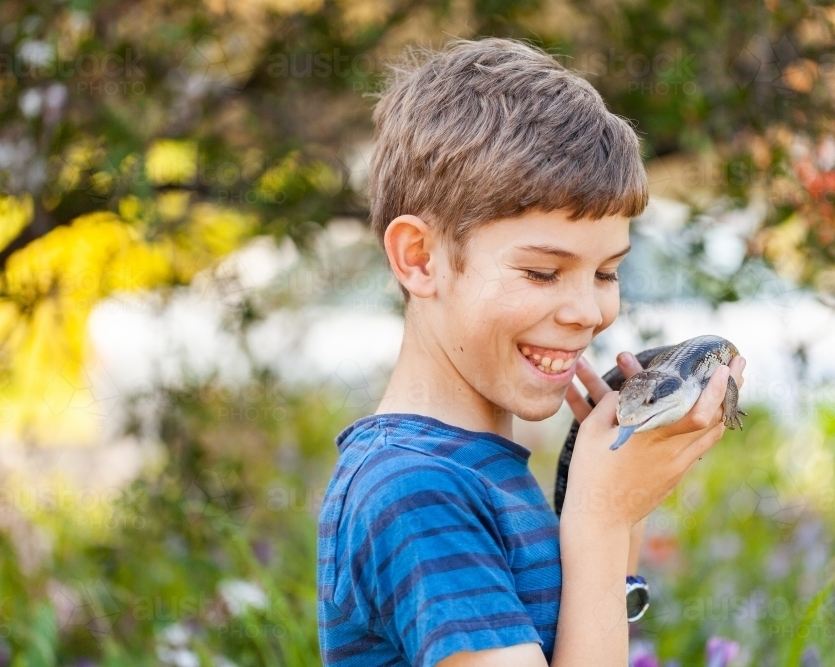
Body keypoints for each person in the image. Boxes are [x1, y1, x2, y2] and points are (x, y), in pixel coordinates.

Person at [316, 37, 747, 667]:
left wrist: (619, 499)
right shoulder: (414, 490)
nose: (589, 312)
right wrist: (599, 522)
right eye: (544, 273)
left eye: (606, 274)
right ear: (420, 258)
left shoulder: (481, 470)